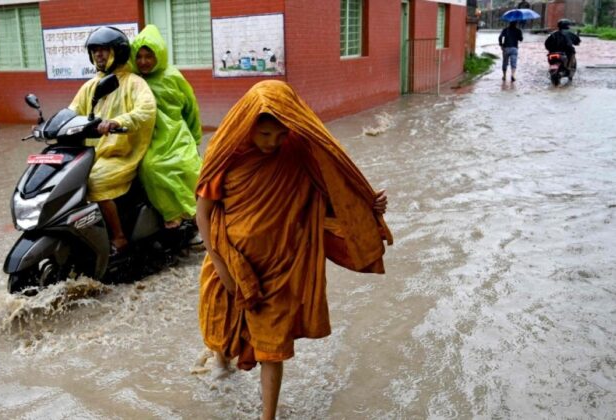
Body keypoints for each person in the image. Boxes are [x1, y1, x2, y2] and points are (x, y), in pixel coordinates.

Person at [196, 80, 392, 420]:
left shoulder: (300, 152)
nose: (273, 143)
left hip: (281, 266)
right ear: (247, 126)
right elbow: (203, 212)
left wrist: (368, 208)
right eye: (265, 135)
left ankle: (267, 417)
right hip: (229, 260)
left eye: (280, 135)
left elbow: (330, 199)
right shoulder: (227, 155)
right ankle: (221, 368)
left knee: (272, 348)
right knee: (223, 330)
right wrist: (221, 266)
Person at [69, 27, 156, 254]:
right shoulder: (90, 85)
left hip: (121, 153)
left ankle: (119, 237)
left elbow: (146, 110)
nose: (99, 55)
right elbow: (71, 111)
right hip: (93, 154)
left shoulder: (133, 82)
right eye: (95, 50)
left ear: (117, 52)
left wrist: (117, 122)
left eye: (104, 50)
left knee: (95, 181)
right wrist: (47, 125)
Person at [129, 24, 203, 231]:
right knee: (150, 167)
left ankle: (198, 213)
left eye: (149, 56)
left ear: (158, 55)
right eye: (139, 56)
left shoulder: (173, 77)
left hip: (175, 133)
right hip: (148, 136)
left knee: (189, 167)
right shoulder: (133, 80)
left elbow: (190, 107)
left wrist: (195, 137)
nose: (143, 61)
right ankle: (171, 212)